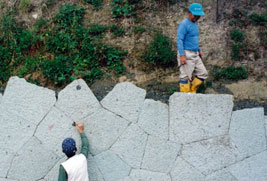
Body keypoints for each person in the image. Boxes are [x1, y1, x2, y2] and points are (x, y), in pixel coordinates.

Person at [177, 3, 208, 93]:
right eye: (195, 15)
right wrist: (182, 55)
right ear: (189, 13)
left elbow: (193, 40)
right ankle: (184, 98)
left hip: (195, 54)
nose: (197, 17)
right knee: (185, 77)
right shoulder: (183, 24)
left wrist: (198, 50)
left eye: (198, 15)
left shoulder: (194, 25)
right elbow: (179, 40)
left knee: (203, 73)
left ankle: (192, 91)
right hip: (186, 53)